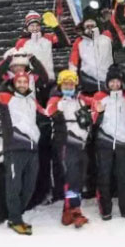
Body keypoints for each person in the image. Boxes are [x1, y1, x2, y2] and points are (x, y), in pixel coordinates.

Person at [0, 53, 49, 235]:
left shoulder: (31, 101)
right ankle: (15, 219)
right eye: (19, 82)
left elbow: (46, 112)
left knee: (29, 187)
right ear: (14, 83)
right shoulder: (7, 98)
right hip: (14, 148)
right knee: (14, 186)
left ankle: (16, 216)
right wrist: (4, 63)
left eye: (25, 82)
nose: (22, 84)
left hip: (32, 149)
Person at [88, 65, 125, 221]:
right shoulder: (100, 98)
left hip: (122, 143)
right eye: (112, 82)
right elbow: (94, 121)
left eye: (117, 82)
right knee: (104, 177)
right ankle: (105, 209)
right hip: (105, 142)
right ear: (107, 83)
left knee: (124, 177)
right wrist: (100, 112)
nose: (114, 85)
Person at [46, 70, 92, 228]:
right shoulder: (57, 98)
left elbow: (93, 103)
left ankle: (74, 207)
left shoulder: (80, 100)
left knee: (80, 177)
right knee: (71, 177)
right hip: (66, 143)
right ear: (60, 84)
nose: (68, 86)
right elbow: (49, 110)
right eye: (65, 83)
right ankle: (70, 210)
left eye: (71, 84)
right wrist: (60, 102)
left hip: (81, 144)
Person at [68, 15, 116, 95]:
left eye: (92, 26)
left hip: (106, 76)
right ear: (84, 28)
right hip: (88, 79)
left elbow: (116, 36)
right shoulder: (79, 41)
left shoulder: (106, 36)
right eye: (87, 26)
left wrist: (109, 20)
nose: (90, 28)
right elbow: (73, 60)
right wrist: (72, 76)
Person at [14, 10, 66, 79]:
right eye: (32, 26)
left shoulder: (48, 37)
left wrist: (56, 27)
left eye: (37, 25)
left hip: (49, 77)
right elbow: (17, 61)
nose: (35, 28)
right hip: (31, 79)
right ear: (27, 26)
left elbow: (63, 43)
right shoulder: (21, 42)